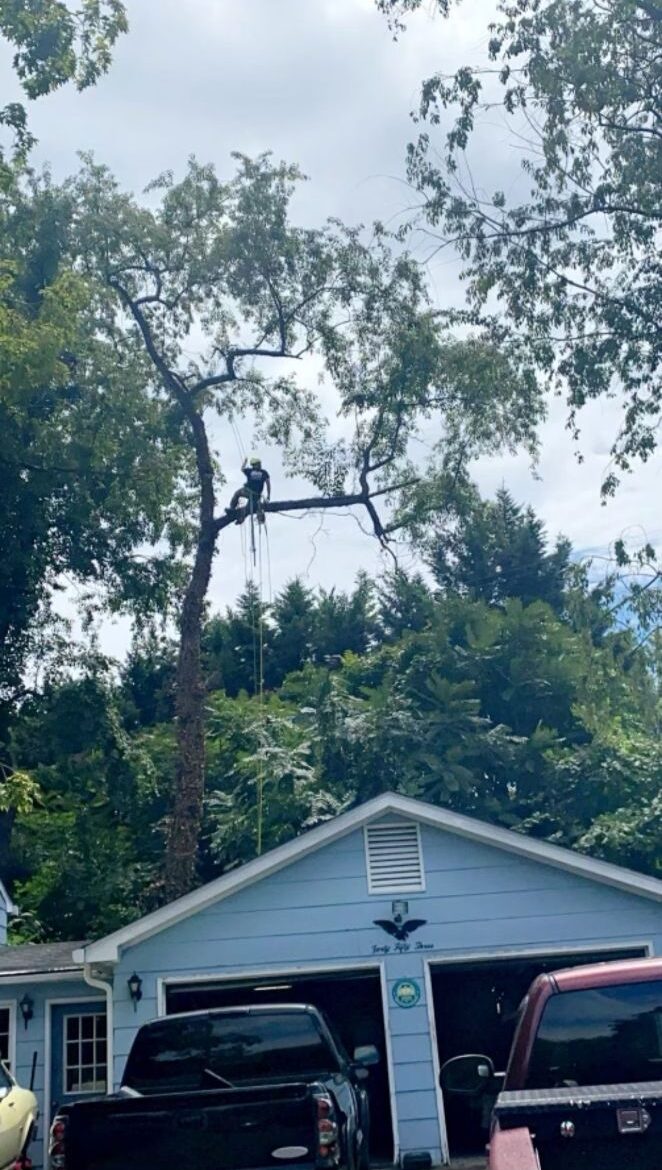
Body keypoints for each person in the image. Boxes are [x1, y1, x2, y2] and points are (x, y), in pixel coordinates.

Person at [227, 457, 271, 523]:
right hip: (251, 492)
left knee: (247, 506)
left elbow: (268, 484)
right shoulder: (261, 472)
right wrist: (268, 496)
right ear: (254, 465)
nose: (259, 465)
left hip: (252, 493)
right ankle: (232, 509)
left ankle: (238, 515)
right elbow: (268, 484)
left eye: (259, 464)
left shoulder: (254, 471)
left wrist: (268, 496)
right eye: (258, 464)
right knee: (237, 494)